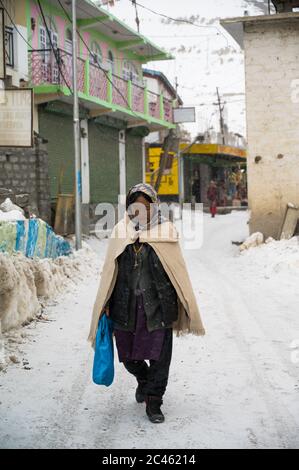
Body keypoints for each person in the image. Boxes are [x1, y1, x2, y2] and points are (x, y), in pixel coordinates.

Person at [88, 183, 205, 424]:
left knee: (160, 358)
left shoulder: (166, 231)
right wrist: (107, 301)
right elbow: (110, 271)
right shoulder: (121, 231)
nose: (139, 211)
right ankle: (143, 379)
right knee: (129, 357)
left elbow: (177, 271)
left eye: (145, 206)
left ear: (154, 206)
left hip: (159, 306)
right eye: (135, 206)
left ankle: (154, 401)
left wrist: (182, 300)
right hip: (125, 305)